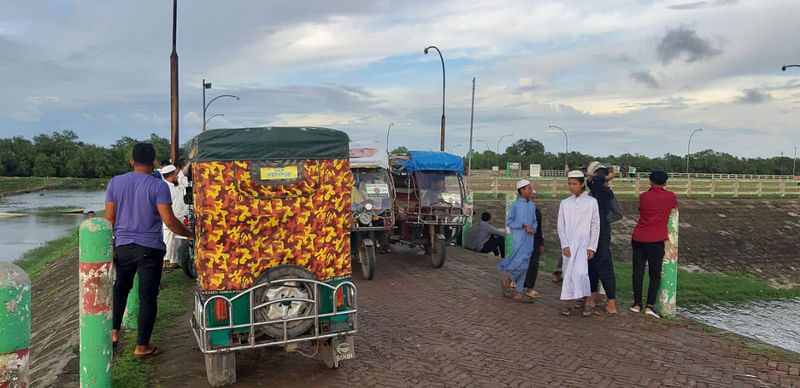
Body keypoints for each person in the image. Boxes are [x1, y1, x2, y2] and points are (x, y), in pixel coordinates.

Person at [105, 143, 193, 357]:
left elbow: (109, 219)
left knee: (120, 289)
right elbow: (170, 221)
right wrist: (191, 235)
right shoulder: (158, 186)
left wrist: (112, 246)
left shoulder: (115, 183)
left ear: (132, 161)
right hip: (149, 249)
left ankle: (114, 334)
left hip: (123, 247)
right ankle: (142, 346)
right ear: (154, 162)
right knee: (147, 297)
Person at [631, 170, 678, 319]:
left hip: (639, 237)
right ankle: (650, 306)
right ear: (665, 183)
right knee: (654, 274)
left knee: (638, 272)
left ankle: (636, 304)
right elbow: (674, 207)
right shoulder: (670, 196)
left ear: (650, 181)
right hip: (656, 239)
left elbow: (641, 210)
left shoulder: (643, 197)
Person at [558, 170, 599, 317]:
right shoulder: (564, 203)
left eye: (574, 184)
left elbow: (595, 226)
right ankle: (569, 304)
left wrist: (592, 246)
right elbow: (560, 227)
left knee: (582, 273)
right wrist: (565, 245)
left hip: (584, 244)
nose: (571, 186)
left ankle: (587, 301)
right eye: (569, 184)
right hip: (569, 244)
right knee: (567, 273)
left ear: (582, 184)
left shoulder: (591, 202)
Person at [585, 162, 618, 315]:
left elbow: (594, 182)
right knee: (591, 264)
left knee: (603, 265)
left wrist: (604, 176)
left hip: (601, 231)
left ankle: (611, 303)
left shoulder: (604, 192)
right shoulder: (596, 191)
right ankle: (591, 297)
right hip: (592, 230)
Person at [498, 179, 538, 303]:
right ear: (522, 190)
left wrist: (533, 228)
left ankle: (518, 290)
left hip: (529, 238)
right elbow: (509, 222)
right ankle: (510, 282)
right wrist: (523, 224)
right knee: (521, 264)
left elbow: (535, 221)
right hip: (519, 238)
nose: (531, 191)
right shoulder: (515, 205)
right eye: (528, 188)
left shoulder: (532, 205)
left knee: (525, 265)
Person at [160, 165, 189, 270]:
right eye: (176, 175)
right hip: (170, 219)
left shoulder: (175, 186)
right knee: (168, 242)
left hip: (180, 218)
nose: (177, 177)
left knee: (176, 243)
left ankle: (174, 262)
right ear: (171, 175)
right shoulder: (165, 187)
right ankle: (164, 264)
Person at [522, 189, 544, 299]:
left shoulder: (537, 212)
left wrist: (541, 243)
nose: (534, 201)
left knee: (534, 265)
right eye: (532, 198)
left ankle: (530, 287)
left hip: (534, 243)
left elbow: (540, 230)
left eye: (535, 198)